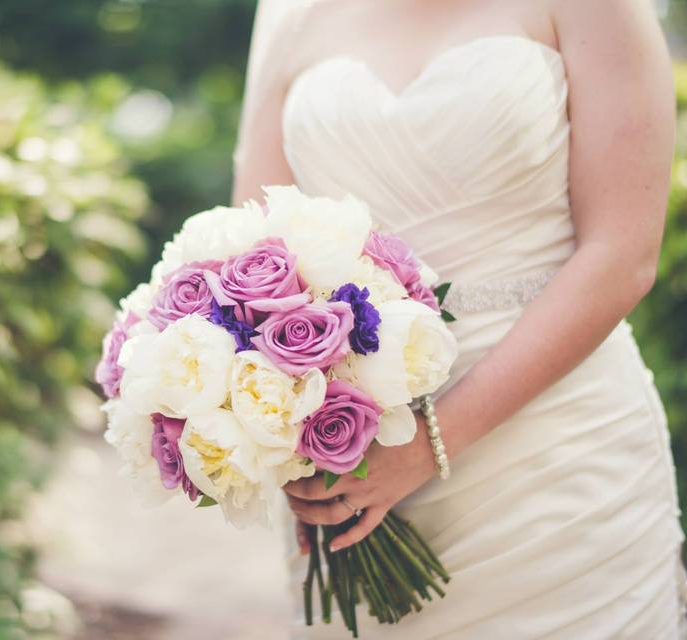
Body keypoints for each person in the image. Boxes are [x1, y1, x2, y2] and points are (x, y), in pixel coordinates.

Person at [231, 0, 687, 637]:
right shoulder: (286, 12)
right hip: (353, 450)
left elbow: (621, 255)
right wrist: (294, 433)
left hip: (559, 451)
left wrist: (427, 444)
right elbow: (254, 246)